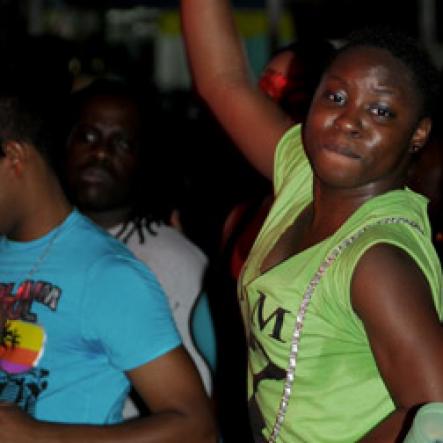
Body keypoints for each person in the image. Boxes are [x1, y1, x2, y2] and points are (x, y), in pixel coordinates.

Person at [180, 0, 443, 441]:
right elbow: (222, 81)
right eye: (336, 97)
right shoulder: (304, 176)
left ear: (418, 133)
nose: (348, 121)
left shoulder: (377, 262)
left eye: (380, 111)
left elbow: (435, 416)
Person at [0, 76, 216, 442]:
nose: (100, 153)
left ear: (15, 158)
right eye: (86, 137)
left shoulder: (109, 274)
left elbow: (195, 426)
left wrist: (36, 436)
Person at [61, 78, 216, 412]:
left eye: (122, 143)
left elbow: (193, 409)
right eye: (87, 136)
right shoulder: (30, 240)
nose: (100, 153)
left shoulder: (172, 261)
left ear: (146, 158)